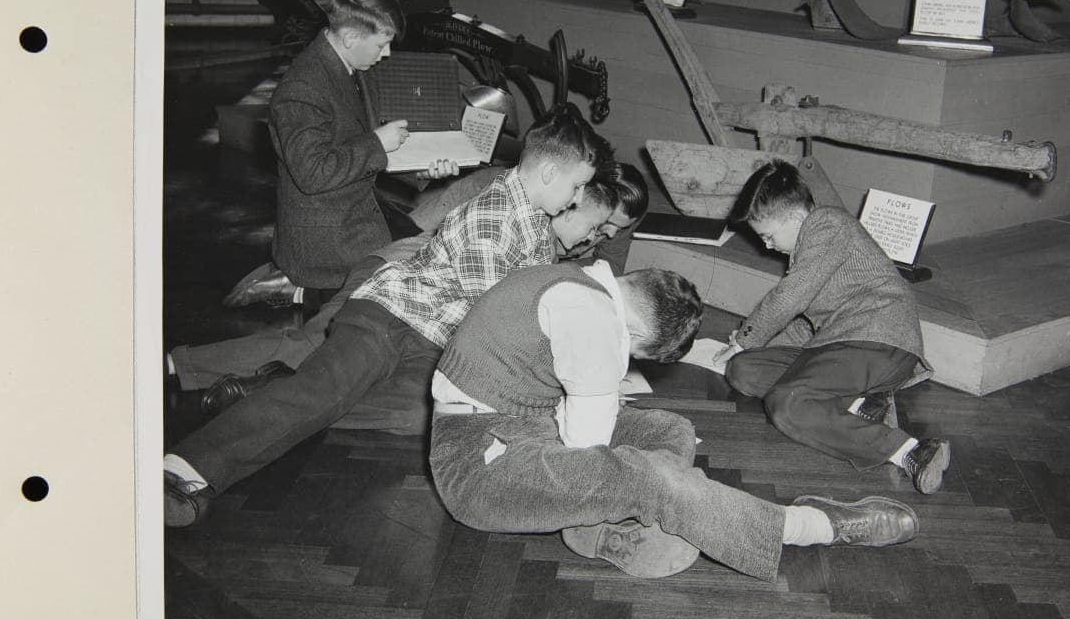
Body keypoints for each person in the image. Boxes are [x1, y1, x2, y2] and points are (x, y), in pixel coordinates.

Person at [163, 108, 609, 527]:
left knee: (412, 416)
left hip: (433, 337)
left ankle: (267, 390)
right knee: (325, 391)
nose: (575, 200)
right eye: (575, 189)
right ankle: (188, 468)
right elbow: (501, 319)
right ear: (549, 173)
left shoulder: (534, 220)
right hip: (390, 315)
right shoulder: (493, 220)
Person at [429, 261, 920, 582]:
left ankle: (597, 527)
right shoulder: (590, 316)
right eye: (633, 353)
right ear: (635, 329)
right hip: (479, 465)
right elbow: (588, 449)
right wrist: (652, 484)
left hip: (524, 425)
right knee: (644, 474)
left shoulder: (578, 280)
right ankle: (813, 524)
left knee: (669, 430)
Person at [173, 181, 623, 423]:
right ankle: (178, 365)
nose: (594, 241)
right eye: (596, 226)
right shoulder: (509, 201)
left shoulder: (551, 242)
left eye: (606, 234)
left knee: (384, 395)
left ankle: (268, 392)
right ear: (568, 200)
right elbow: (417, 227)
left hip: (423, 309)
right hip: (393, 277)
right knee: (309, 350)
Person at [712, 159, 949, 494]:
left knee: (786, 404)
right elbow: (806, 327)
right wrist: (750, 349)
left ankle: (911, 451)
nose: (766, 246)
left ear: (795, 217)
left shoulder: (827, 223)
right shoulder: (812, 244)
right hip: (847, 345)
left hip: (878, 342)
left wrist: (746, 338)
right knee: (743, 370)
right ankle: (860, 406)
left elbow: (791, 297)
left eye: (767, 236)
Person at [223, 0, 459, 309]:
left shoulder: (354, 68)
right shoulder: (301, 90)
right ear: (349, 36)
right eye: (381, 45)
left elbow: (363, 147)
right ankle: (295, 287)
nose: (386, 54)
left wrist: (421, 171)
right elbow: (313, 173)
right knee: (398, 295)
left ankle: (299, 290)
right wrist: (377, 143)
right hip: (323, 236)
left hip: (355, 210)